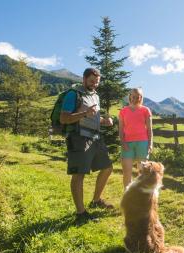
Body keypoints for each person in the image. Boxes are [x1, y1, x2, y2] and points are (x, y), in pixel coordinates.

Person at [60, 67, 115, 220]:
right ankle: (80, 213)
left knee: (107, 168)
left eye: (97, 82)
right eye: (91, 81)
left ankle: (96, 200)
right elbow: (64, 118)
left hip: (96, 138)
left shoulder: (95, 96)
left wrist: (105, 121)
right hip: (78, 138)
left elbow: (93, 118)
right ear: (84, 79)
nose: (94, 84)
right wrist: (84, 113)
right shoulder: (73, 94)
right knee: (79, 174)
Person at [119, 88, 153, 188]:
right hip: (127, 144)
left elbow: (150, 129)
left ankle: (141, 195)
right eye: (133, 96)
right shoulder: (123, 111)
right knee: (127, 173)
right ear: (130, 97)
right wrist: (123, 143)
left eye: (138, 97)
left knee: (142, 173)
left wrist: (150, 144)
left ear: (141, 97)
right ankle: (127, 196)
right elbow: (120, 130)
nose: (135, 98)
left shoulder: (146, 110)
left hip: (143, 143)